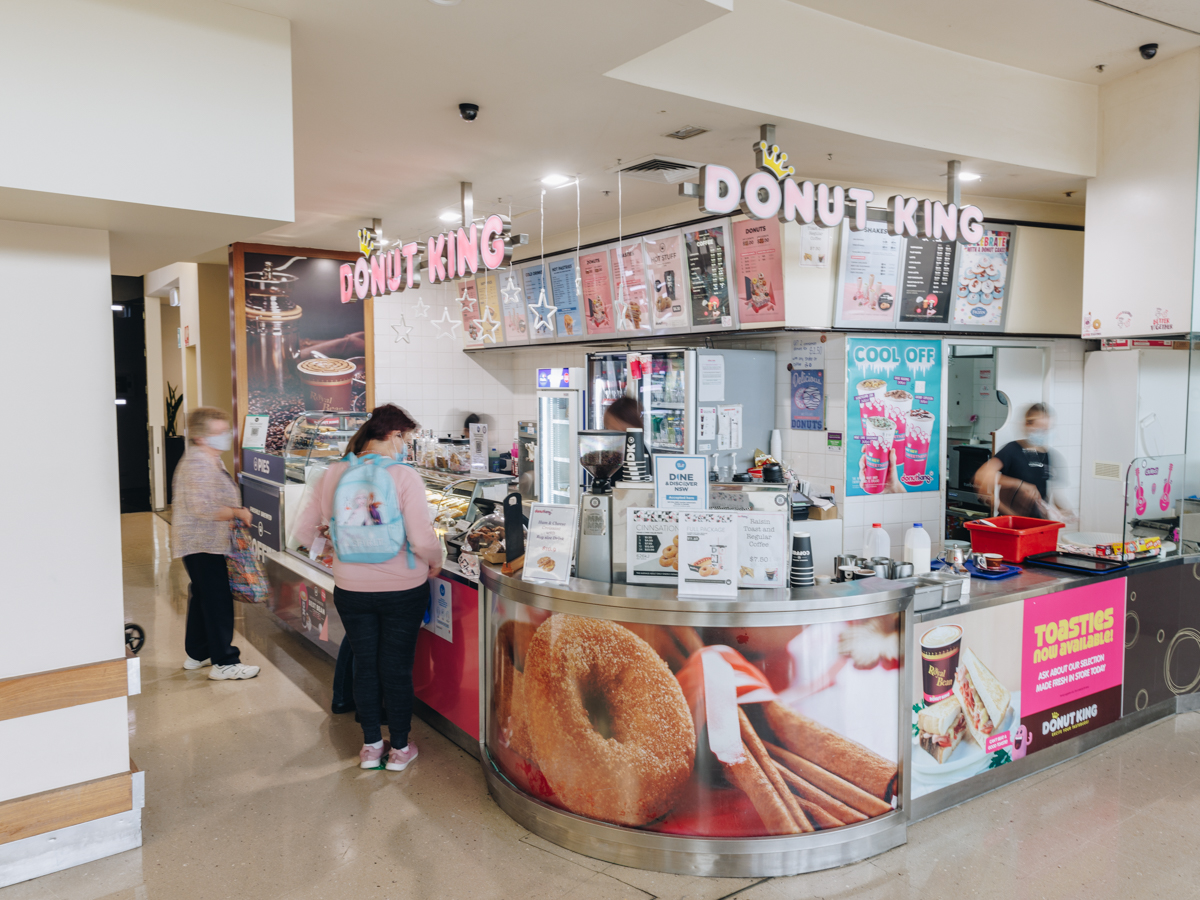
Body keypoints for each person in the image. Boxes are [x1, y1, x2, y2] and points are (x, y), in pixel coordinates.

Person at [318, 403, 443, 772]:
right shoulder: (405, 476)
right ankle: (401, 750)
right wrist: (436, 560)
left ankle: (371, 747)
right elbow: (422, 538)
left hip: (351, 585)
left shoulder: (336, 471)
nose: (408, 446)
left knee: (366, 665)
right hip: (403, 586)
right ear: (395, 435)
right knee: (396, 667)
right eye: (408, 438)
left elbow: (329, 522)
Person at [172, 407, 261, 681]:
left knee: (203, 597)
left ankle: (199, 653)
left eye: (226, 431)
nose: (225, 437)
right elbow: (201, 507)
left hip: (204, 543)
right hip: (203, 543)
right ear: (200, 437)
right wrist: (237, 512)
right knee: (217, 600)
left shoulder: (209, 458)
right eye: (218, 432)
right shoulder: (198, 463)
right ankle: (225, 662)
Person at [974, 403, 1075, 520]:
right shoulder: (1011, 450)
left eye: (1046, 430)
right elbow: (981, 477)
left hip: (1037, 523)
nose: (1044, 433)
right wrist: (1020, 485)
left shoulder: (1049, 455)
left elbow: (1050, 494)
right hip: (1011, 524)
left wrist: (1065, 511)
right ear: (1027, 425)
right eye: (1040, 429)